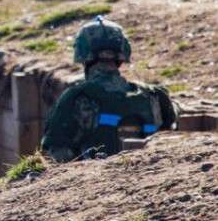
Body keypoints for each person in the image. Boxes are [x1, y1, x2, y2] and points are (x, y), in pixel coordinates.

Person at [41, 17, 177, 162]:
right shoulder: (154, 95)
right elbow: (171, 132)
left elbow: (57, 151)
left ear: (82, 54)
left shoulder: (77, 97)